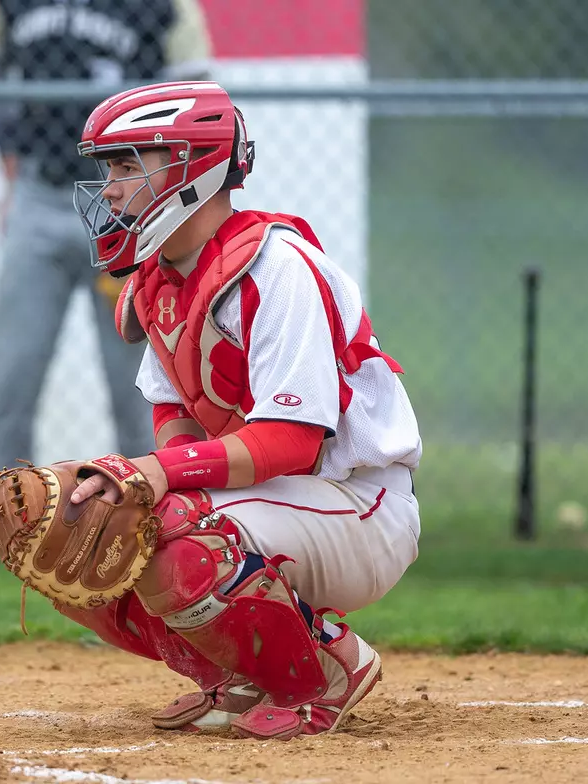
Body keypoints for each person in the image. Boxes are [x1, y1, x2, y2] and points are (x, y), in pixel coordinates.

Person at [56, 81, 423, 740]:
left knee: (170, 528)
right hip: (276, 504)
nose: (109, 188)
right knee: (72, 529)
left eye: (128, 165)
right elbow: (178, 419)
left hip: (359, 503)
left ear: (191, 169)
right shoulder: (160, 281)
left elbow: (293, 443)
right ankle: (236, 674)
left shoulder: (275, 269)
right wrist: (147, 476)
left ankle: (330, 665)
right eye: (107, 168)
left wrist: (158, 475)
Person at [0, 0, 213, 469]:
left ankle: (151, 524)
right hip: (39, 195)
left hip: (125, 207)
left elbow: (197, 97)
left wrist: (161, 195)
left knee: (139, 387)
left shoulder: (168, 7)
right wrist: (9, 161)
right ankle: (4, 525)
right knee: (13, 378)